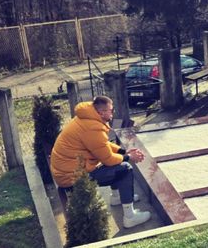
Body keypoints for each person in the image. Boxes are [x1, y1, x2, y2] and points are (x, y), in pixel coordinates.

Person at [50, 95, 151, 228]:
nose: (112, 112)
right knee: (125, 169)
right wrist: (128, 157)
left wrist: (123, 152)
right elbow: (108, 159)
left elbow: (102, 145)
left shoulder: (87, 118)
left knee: (116, 164)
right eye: (111, 110)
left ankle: (117, 197)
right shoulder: (92, 127)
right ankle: (130, 217)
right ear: (101, 112)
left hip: (67, 170)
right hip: (71, 178)